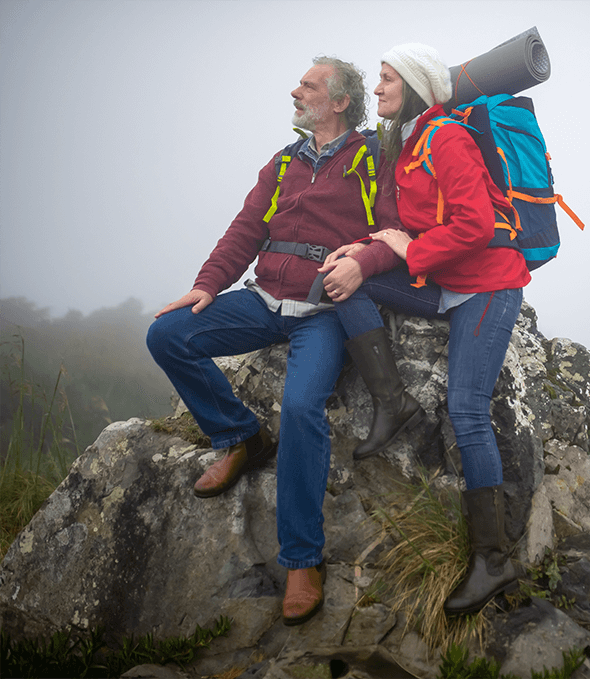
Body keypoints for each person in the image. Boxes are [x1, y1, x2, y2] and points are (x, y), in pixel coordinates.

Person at [146, 56, 404, 627]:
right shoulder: (284, 160)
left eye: (308, 85)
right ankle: (239, 435)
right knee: (167, 334)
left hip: (323, 310)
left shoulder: (370, 159)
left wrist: (363, 261)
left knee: (302, 406)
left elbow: (392, 231)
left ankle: (301, 561)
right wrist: (205, 286)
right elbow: (245, 229)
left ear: (339, 101)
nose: (295, 91)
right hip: (263, 299)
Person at [316, 43, 530, 615]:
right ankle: (393, 402)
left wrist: (411, 247)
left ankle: (493, 558)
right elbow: (394, 233)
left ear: (411, 86)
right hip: (442, 281)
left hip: (486, 284)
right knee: (344, 281)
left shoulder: (447, 138)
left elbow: (477, 225)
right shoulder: (406, 145)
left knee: (466, 409)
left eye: (387, 79)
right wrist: (363, 252)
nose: (378, 88)